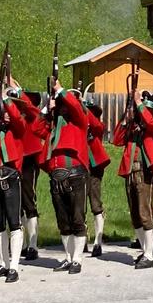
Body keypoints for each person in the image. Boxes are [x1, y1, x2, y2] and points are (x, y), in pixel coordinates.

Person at [44, 80, 104, 273]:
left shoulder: (79, 119)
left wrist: (60, 90)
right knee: (63, 221)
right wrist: (47, 109)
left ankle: (77, 258)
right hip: (57, 175)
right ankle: (68, 257)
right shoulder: (55, 124)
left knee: (78, 218)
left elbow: (76, 108)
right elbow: (36, 128)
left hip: (76, 174)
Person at [0, 76, 29, 281]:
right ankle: (3, 262)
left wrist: (7, 99)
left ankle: (15, 266)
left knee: (14, 222)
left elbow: (18, 119)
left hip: (10, 176)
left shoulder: (17, 125)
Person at [114, 76, 153, 269]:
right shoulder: (134, 126)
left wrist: (138, 103)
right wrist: (127, 116)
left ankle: (149, 255)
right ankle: (144, 250)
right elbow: (118, 139)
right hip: (130, 171)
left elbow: (151, 124)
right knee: (135, 214)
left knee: (145, 213)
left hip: (145, 171)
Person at [13, 88, 49, 263]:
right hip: (17, 159)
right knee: (18, 203)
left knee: (29, 201)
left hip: (30, 158)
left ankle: (33, 245)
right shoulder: (18, 116)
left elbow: (29, 107)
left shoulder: (34, 114)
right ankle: (22, 244)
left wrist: (19, 91)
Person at [83, 96, 112, 258]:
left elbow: (95, 125)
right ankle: (83, 238)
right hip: (79, 167)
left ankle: (98, 241)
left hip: (94, 167)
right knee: (79, 206)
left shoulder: (97, 126)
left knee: (95, 204)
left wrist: (84, 109)